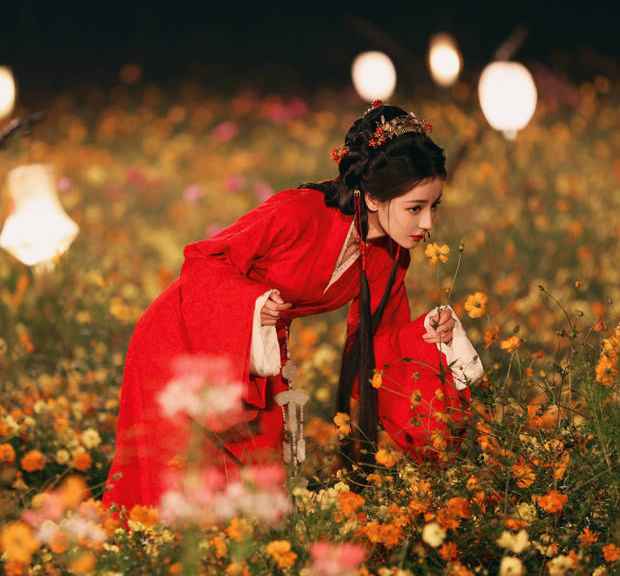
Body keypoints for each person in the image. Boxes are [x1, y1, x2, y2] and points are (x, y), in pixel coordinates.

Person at [103, 102, 483, 511]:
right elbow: (205, 259)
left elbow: (378, 344)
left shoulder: (388, 255)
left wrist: (430, 332)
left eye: (433, 207)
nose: (427, 224)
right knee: (177, 484)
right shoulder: (295, 212)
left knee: (253, 489)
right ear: (372, 197)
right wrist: (250, 303)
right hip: (187, 336)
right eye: (415, 208)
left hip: (251, 349)